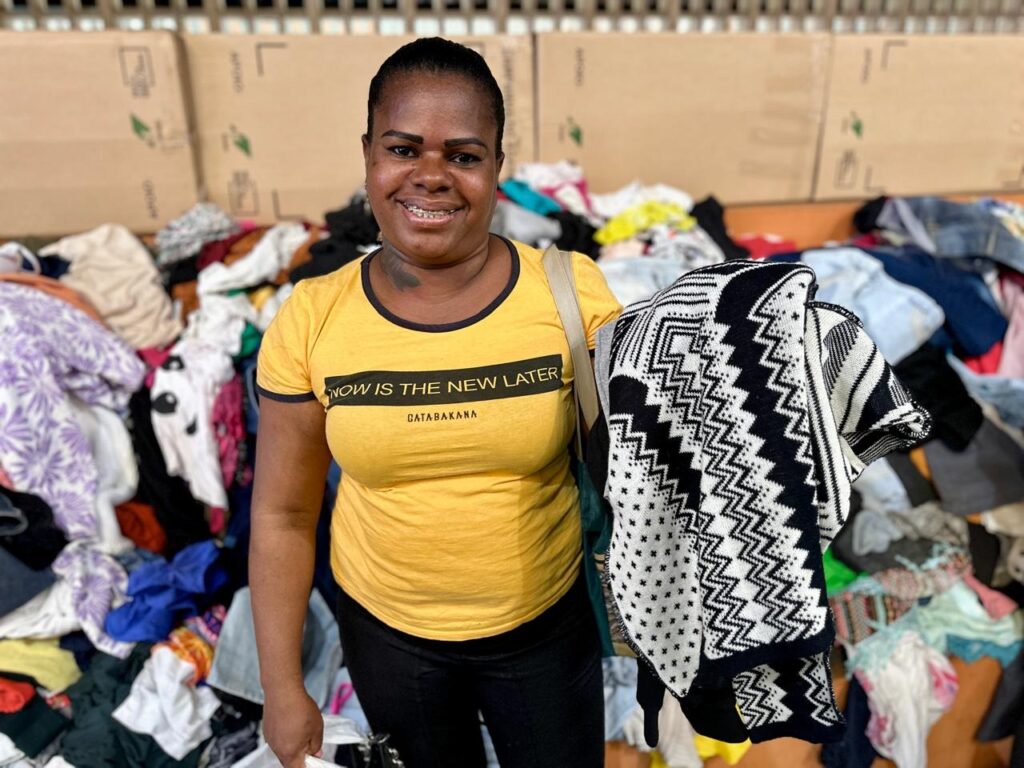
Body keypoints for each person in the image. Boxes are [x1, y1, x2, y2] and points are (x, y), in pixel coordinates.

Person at [251, 37, 621, 768]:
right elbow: (283, 515)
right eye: (403, 148)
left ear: (496, 169)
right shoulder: (312, 316)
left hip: (545, 628)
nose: (431, 176)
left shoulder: (572, 296)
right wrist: (281, 687)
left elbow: (633, 473)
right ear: (368, 156)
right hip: (388, 639)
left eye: (463, 154)